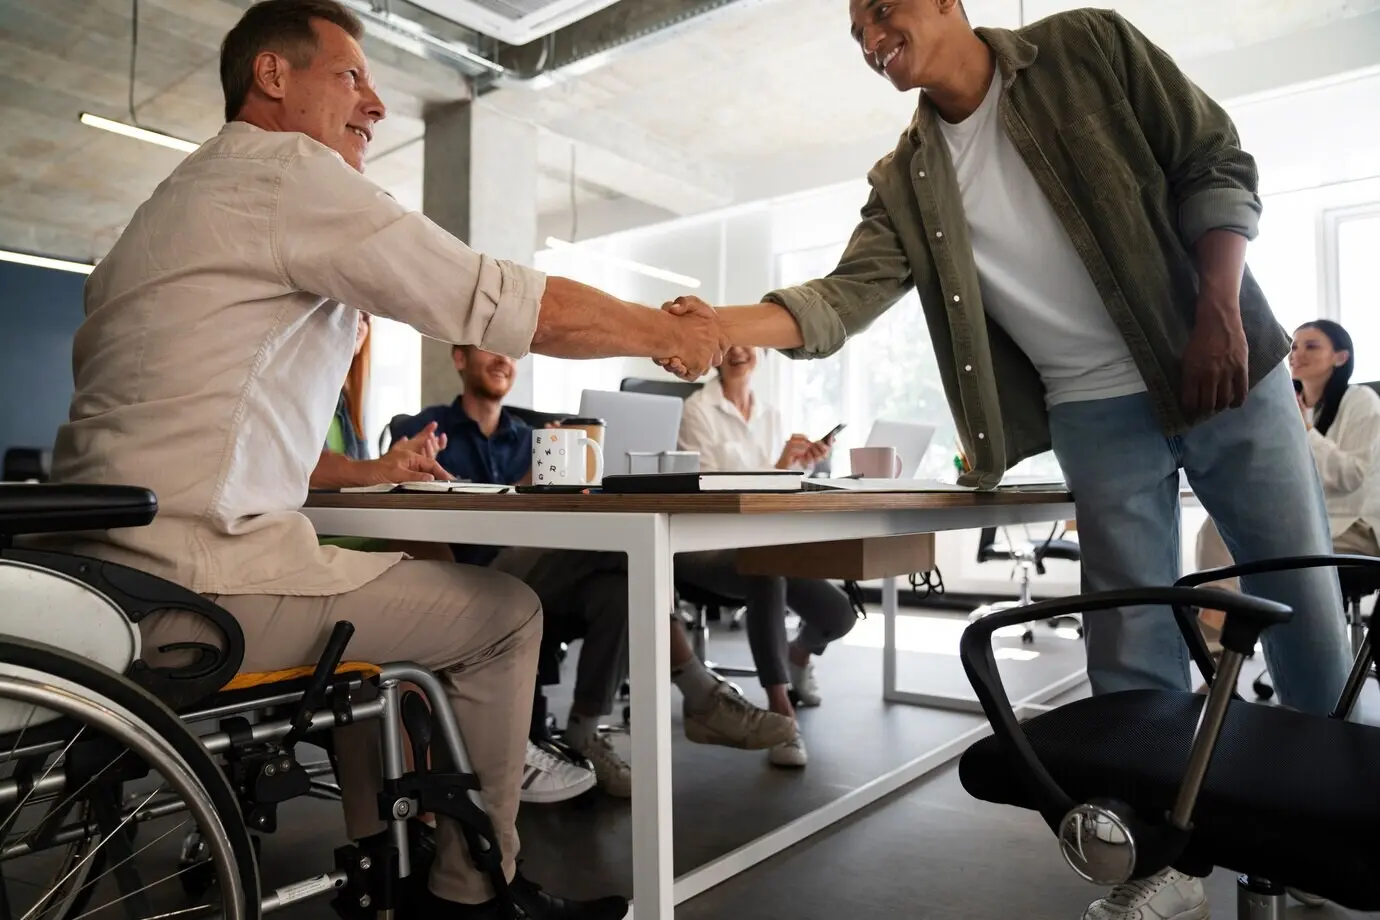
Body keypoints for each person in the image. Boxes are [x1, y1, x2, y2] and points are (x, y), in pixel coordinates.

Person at [656, 2, 1353, 917]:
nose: (868, 38)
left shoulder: (1083, 46)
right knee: (1131, 647)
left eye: (880, 10)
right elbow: (841, 296)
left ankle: (1331, 847)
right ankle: (1167, 862)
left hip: (1217, 361)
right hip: (1094, 410)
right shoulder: (903, 176)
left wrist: (1220, 309)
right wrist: (716, 326)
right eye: (855, 30)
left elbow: (1210, 158)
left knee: (1301, 609)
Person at [42, 1, 730, 917]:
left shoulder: (155, 220)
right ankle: (467, 892)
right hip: (200, 585)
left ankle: (382, 858)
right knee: (505, 612)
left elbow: (214, 425)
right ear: (273, 77)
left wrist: (368, 471)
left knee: (372, 619)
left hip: (94, 584)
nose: (375, 104)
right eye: (351, 76)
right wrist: (667, 333)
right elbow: (496, 299)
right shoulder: (285, 171)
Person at [391, 345, 796, 796]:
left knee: (621, 586)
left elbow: (545, 512)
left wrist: (556, 476)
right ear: (459, 358)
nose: (504, 358)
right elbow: (402, 498)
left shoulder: (532, 436)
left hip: (545, 571)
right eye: (490, 348)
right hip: (475, 576)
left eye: (512, 351)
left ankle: (585, 729)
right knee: (625, 544)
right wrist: (417, 464)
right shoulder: (423, 428)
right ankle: (700, 693)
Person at [312, 315, 600, 805]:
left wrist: (384, 466)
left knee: (610, 574)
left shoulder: (346, 408)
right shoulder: (400, 417)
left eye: (364, 316)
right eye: (348, 313)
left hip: (420, 553)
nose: (358, 323)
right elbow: (310, 470)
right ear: (460, 358)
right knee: (489, 591)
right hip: (389, 561)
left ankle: (564, 737)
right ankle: (502, 753)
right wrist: (379, 469)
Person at [675, 345, 858, 767]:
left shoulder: (771, 413)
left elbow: (777, 493)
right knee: (766, 572)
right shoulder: (696, 410)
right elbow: (705, 492)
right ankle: (781, 713)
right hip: (706, 544)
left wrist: (798, 467)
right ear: (716, 353)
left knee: (839, 615)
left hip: (764, 542)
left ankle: (798, 655)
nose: (740, 350)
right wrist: (778, 465)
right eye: (730, 342)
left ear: (761, 353)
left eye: (749, 343)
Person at [1197, 320, 1380, 594]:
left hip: (1352, 527)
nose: (1297, 353)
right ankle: (1216, 616)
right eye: (1293, 346)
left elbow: (1351, 476)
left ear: (1341, 357)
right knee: (1219, 523)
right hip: (1308, 519)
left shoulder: (1361, 400)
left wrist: (1305, 429)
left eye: (1312, 346)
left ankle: (1218, 622)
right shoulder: (1297, 407)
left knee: (1248, 550)